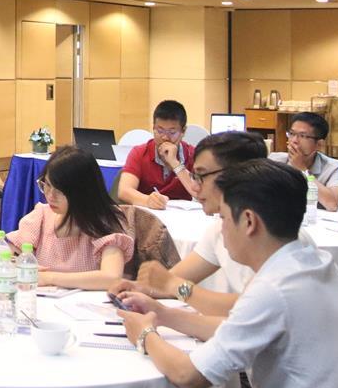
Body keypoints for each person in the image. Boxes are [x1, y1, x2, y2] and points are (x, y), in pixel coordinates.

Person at [116, 160, 338, 388]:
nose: (220, 230)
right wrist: (164, 315)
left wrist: (145, 335)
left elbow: (187, 376)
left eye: (223, 218)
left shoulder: (274, 288)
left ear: (248, 221)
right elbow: (238, 329)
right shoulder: (311, 261)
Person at [110, 130, 270, 314]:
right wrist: (139, 288)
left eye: (201, 176)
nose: (194, 186)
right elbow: (170, 281)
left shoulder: (271, 234)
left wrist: (174, 289)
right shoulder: (220, 228)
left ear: (236, 175)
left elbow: (246, 308)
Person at [6, 146, 135, 289]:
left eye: (60, 191)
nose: (50, 196)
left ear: (82, 191)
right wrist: (16, 264)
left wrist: (49, 277)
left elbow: (111, 278)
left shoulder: (105, 222)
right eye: (47, 185)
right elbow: (8, 257)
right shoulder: (41, 216)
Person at [118, 100, 197, 209]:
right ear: (153, 128)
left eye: (172, 132)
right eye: (160, 131)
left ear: (183, 131)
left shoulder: (192, 154)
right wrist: (147, 200)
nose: (165, 137)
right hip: (149, 214)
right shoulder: (139, 153)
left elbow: (201, 193)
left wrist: (175, 163)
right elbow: (124, 191)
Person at [268, 112, 338, 210]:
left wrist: (302, 170)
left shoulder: (333, 167)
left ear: (319, 144)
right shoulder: (274, 160)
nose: (294, 140)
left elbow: (333, 205)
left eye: (302, 136)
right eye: (292, 134)